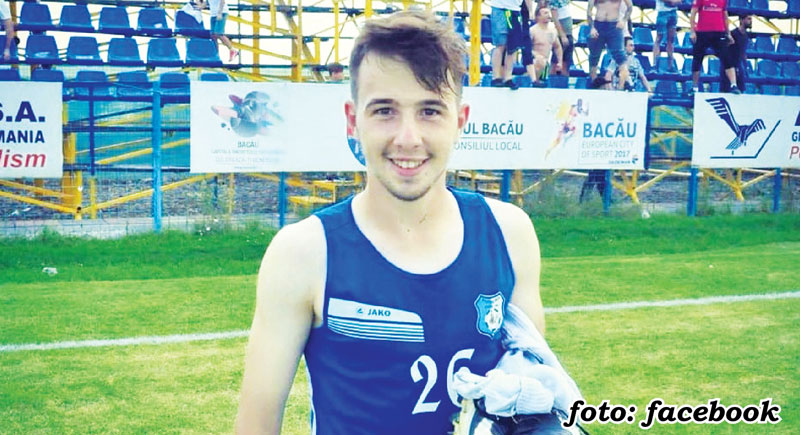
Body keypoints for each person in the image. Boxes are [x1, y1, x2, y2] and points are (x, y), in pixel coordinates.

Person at [235, 10, 554, 434]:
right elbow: (255, 426)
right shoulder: (303, 253)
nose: (408, 138)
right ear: (353, 121)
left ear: (460, 121)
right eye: (385, 110)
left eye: (430, 111)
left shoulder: (510, 235)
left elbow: (530, 396)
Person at [689, 0, 739, 94]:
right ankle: (694, 87)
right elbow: (693, 12)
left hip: (718, 32)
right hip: (702, 32)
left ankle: (734, 85)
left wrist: (728, 33)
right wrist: (692, 31)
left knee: (727, 57)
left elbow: (725, 16)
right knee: (697, 59)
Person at [587, 0, 632, 90]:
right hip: (598, 24)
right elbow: (589, 11)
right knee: (594, 55)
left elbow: (630, 6)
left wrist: (624, 20)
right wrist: (592, 27)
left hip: (614, 25)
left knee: (620, 55)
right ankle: (593, 82)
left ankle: (625, 82)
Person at [490, 0, 534, 89]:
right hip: (500, 8)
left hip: (515, 10)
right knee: (500, 44)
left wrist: (530, 11)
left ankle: (508, 77)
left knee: (513, 47)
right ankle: (496, 77)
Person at [530, 6, 563, 85]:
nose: (548, 15)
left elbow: (557, 47)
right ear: (538, 16)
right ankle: (533, 81)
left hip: (545, 63)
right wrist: (536, 55)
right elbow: (526, 48)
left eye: (548, 13)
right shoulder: (532, 30)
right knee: (539, 61)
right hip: (533, 61)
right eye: (545, 13)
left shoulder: (553, 31)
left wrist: (560, 62)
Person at [720, 14, 751, 93]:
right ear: (741, 20)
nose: (750, 21)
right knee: (726, 90)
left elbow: (743, 52)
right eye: (748, 19)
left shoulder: (746, 36)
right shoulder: (733, 34)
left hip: (739, 65)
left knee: (740, 90)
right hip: (729, 66)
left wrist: (745, 65)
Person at [652, 0, 681, 72]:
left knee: (671, 39)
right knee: (659, 38)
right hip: (662, 12)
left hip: (673, 12)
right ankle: (655, 64)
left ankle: (671, 65)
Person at [549, 0, 574, 77]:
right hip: (561, 35)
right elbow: (555, 18)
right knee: (555, 62)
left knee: (566, 62)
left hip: (568, 34)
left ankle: (564, 81)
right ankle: (551, 80)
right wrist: (562, 35)